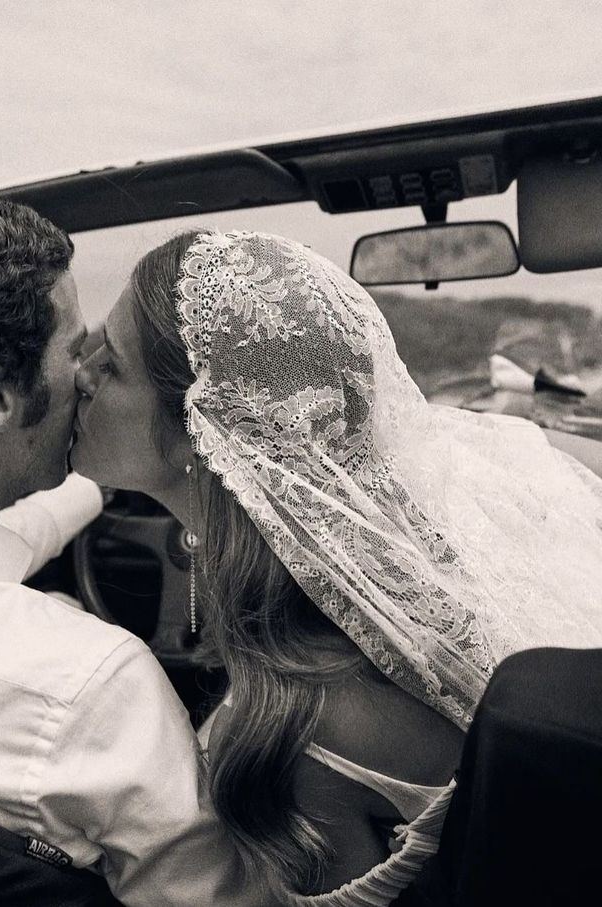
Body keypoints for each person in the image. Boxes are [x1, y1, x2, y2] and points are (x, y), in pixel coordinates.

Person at [71, 228, 602, 906]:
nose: (81, 373)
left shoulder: (288, 732)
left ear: (193, 430)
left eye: (110, 364)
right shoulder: (422, 563)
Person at [0, 179, 259, 907]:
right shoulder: (87, 686)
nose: (85, 376)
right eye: (73, 349)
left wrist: (96, 485)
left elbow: (0, 539)